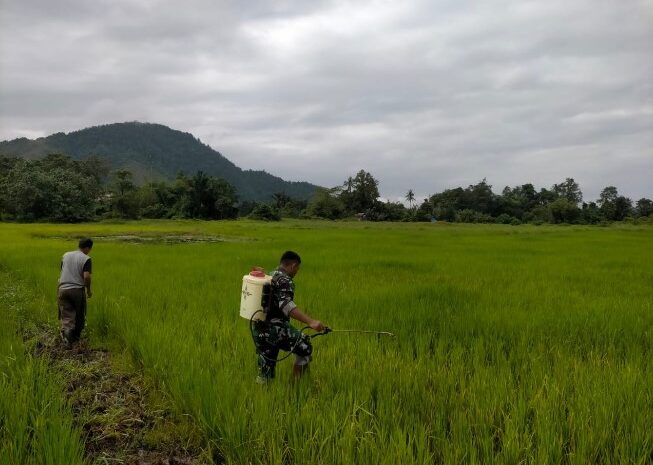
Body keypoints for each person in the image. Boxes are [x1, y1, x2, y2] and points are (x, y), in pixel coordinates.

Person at [252, 251, 326, 383]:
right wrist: (311, 322)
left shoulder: (269, 275)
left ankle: (263, 397)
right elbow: (286, 305)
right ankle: (295, 388)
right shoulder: (286, 280)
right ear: (293, 266)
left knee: (266, 365)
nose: (297, 272)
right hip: (275, 328)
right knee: (305, 347)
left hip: (258, 327)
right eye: (297, 268)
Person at [58, 237, 93, 348]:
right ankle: (75, 340)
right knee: (79, 314)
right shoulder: (86, 258)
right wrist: (88, 290)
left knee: (66, 314)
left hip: (62, 289)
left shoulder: (65, 255)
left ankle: (67, 338)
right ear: (87, 248)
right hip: (77, 290)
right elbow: (86, 276)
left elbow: (62, 271)